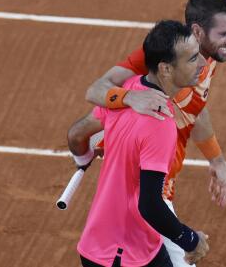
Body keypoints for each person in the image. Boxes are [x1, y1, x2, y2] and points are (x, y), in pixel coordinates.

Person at [69, 0, 226, 266]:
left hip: (147, 196)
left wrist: (216, 160)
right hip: (149, 196)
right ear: (197, 32)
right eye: (225, 34)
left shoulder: (200, 61)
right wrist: (129, 99)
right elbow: (95, 93)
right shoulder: (157, 64)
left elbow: (196, 107)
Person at [72, 20, 209, 267]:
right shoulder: (161, 122)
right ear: (166, 69)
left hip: (100, 244)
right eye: (191, 59)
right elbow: (149, 204)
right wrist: (190, 240)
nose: (201, 64)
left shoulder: (126, 91)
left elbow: (75, 135)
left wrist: (82, 157)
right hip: (125, 255)